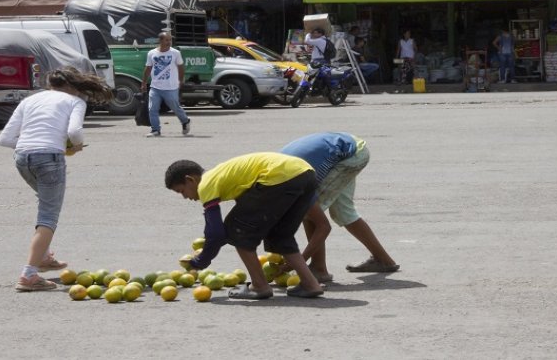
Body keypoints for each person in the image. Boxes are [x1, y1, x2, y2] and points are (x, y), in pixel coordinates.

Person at [0, 67, 113, 291]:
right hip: (49, 159)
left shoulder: (31, 100)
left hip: (22, 158)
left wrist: (30, 145)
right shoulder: (74, 101)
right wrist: (74, 146)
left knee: (45, 205)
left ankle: (43, 257)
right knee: (48, 216)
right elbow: (74, 132)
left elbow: (5, 139)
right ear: (72, 86)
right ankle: (29, 275)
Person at [166, 153, 324, 299]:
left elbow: (216, 233)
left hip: (279, 177)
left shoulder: (206, 184)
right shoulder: (224, 175)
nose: (185, 197)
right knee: (279, 234)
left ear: (190, 180)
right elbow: (249, 214)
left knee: (237, 230)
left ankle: (259, 286)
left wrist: (199, 261)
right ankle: (310, 284)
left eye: (182, 191)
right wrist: (215, 242)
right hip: (305, 173)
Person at [280, 132, 399, 283]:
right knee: (343, 212)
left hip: (348, 155)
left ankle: (318, 269)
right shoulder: (277, 173)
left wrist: (298, 262)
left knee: (309, 212)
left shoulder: (295, 178)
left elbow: (321, 224)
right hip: (352, 147)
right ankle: (383, 260)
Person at [141, 32, 191, 138]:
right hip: (155, 87)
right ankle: (155, 130)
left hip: (171, 87)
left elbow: (181, 67)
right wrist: (144, 82)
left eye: (170, 40)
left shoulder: (175, 53)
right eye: (166, 40)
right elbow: (148, 68)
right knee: (152, 109)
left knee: (175, 107)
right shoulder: (151, 53)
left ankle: (185, 121)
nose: (169, 42)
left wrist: (180, 80)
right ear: (160, 41)